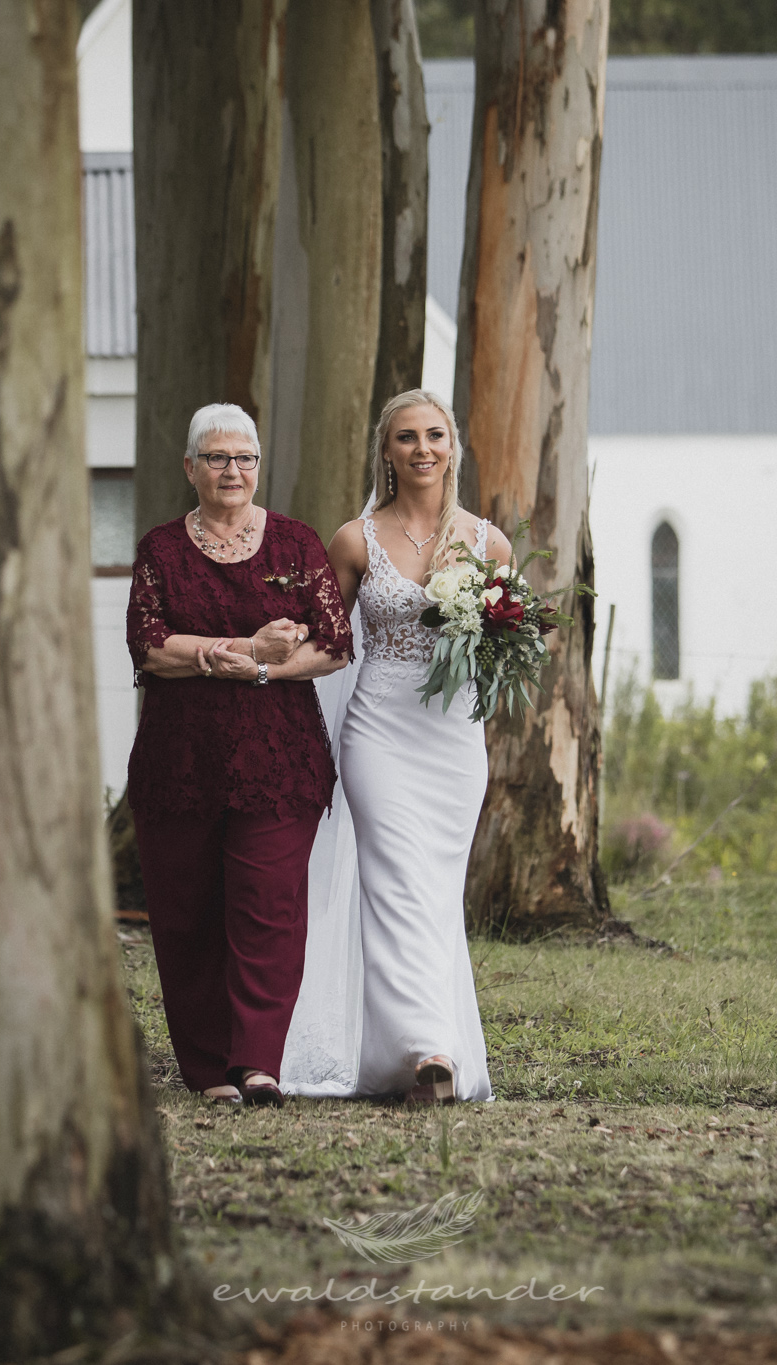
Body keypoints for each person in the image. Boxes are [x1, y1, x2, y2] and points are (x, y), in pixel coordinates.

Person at [280, 389, 509, 1103]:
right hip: (378, 730)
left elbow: (508, 642)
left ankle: (413, 1054)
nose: (422, 449)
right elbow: (327, 639)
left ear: (452, 446)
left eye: (435, 435)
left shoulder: (489, 543)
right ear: (385, 450)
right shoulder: (355, 540)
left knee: (435, 891)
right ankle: (427, 1049)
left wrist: (498, 635)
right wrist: (262, 661)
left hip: (453, 738)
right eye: (406, 437)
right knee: (394, 884)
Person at [125, 404, 353, 1106]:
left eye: (245, 458)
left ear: (259, 465)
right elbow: (149, 646)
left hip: (278, 759)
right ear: (189, 467)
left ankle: (257, 1063)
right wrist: (248, 647)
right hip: (180, 761)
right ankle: (206, 1071)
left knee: (268, 908)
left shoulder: (296, 543)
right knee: (187, 913)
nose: (233, 470)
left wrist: (258, 670)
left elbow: (334, 642)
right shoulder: (161, 550)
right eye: (217, 458)